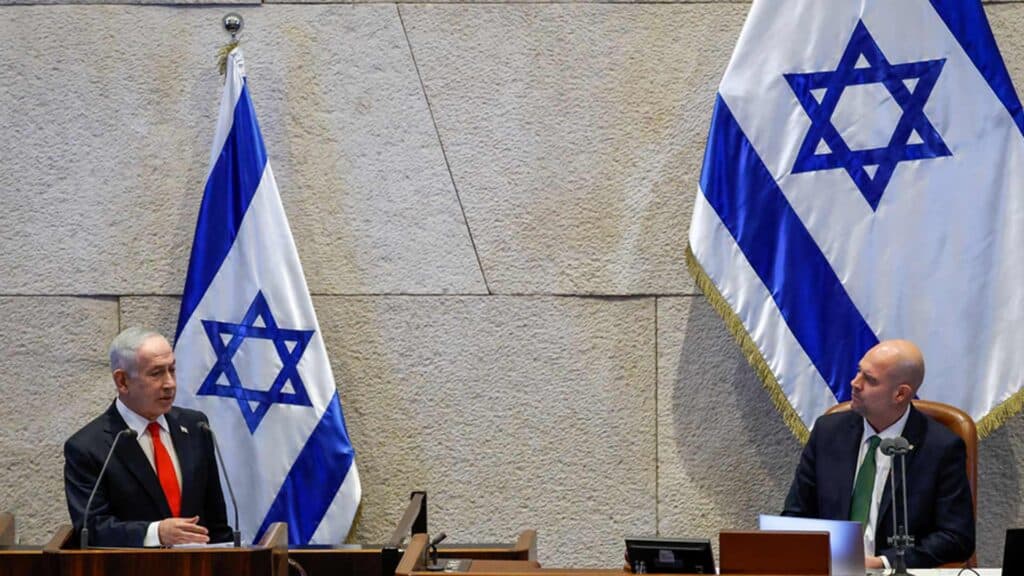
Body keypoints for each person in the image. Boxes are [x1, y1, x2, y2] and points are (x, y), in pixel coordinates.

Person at [782, 339, 974, 568]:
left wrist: (883, 562)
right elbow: (796, 515)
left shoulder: (941, 447)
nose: (855, 383)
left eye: (870, 380)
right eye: (858, 371)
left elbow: (956, 537)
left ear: (900, 395)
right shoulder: (828, 433)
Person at [64, 327, 231, 547]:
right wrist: (156, 533)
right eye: (156, 373)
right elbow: (91, 529)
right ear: (122, 381)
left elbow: (216, 520)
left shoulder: (196, 427)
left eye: (172, 370)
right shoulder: (88, 447)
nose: (170, 383)